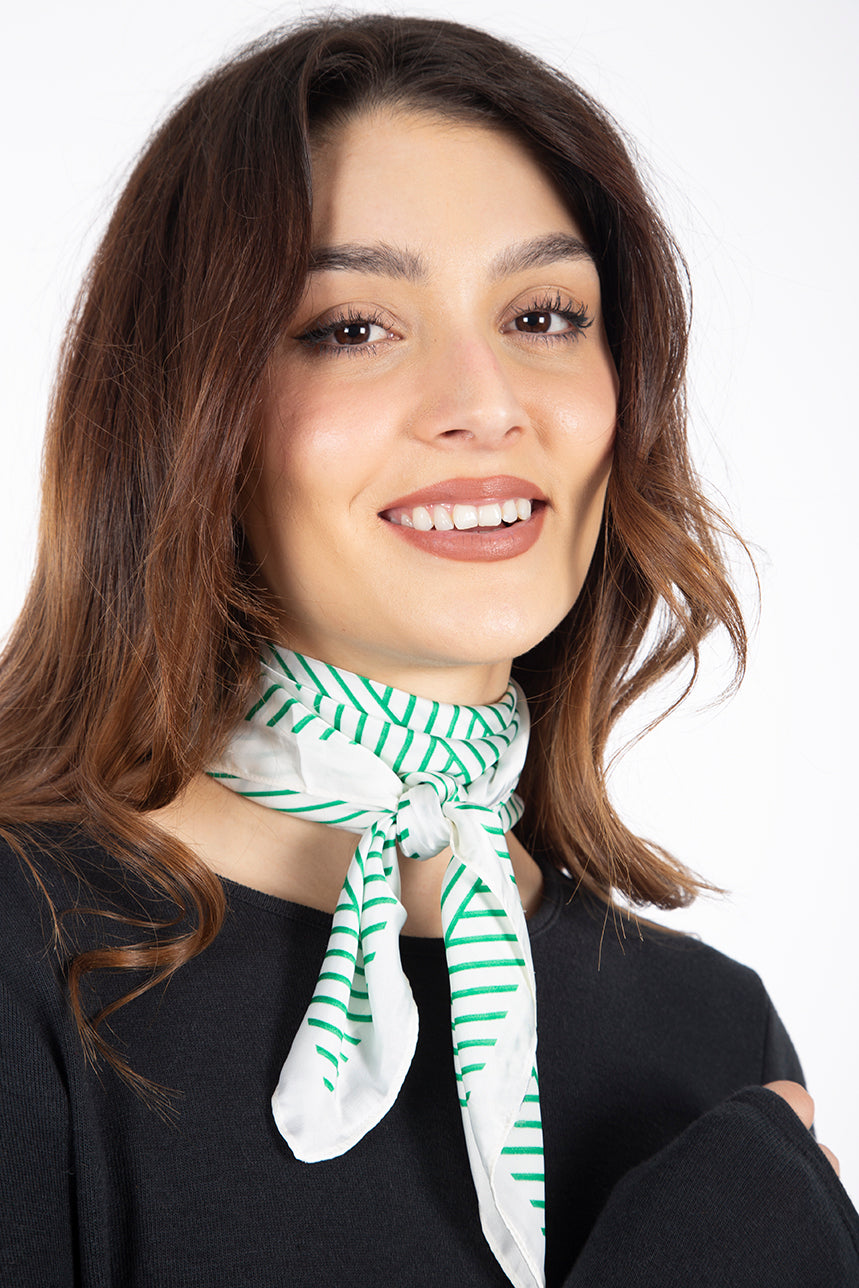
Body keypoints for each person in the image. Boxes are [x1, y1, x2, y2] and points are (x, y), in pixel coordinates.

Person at [0, 13, 856, 1287]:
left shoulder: (711, 1032)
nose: (485, 404)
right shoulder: (26, 955)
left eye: (545, 315)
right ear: (190, 414)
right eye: (353, 327)